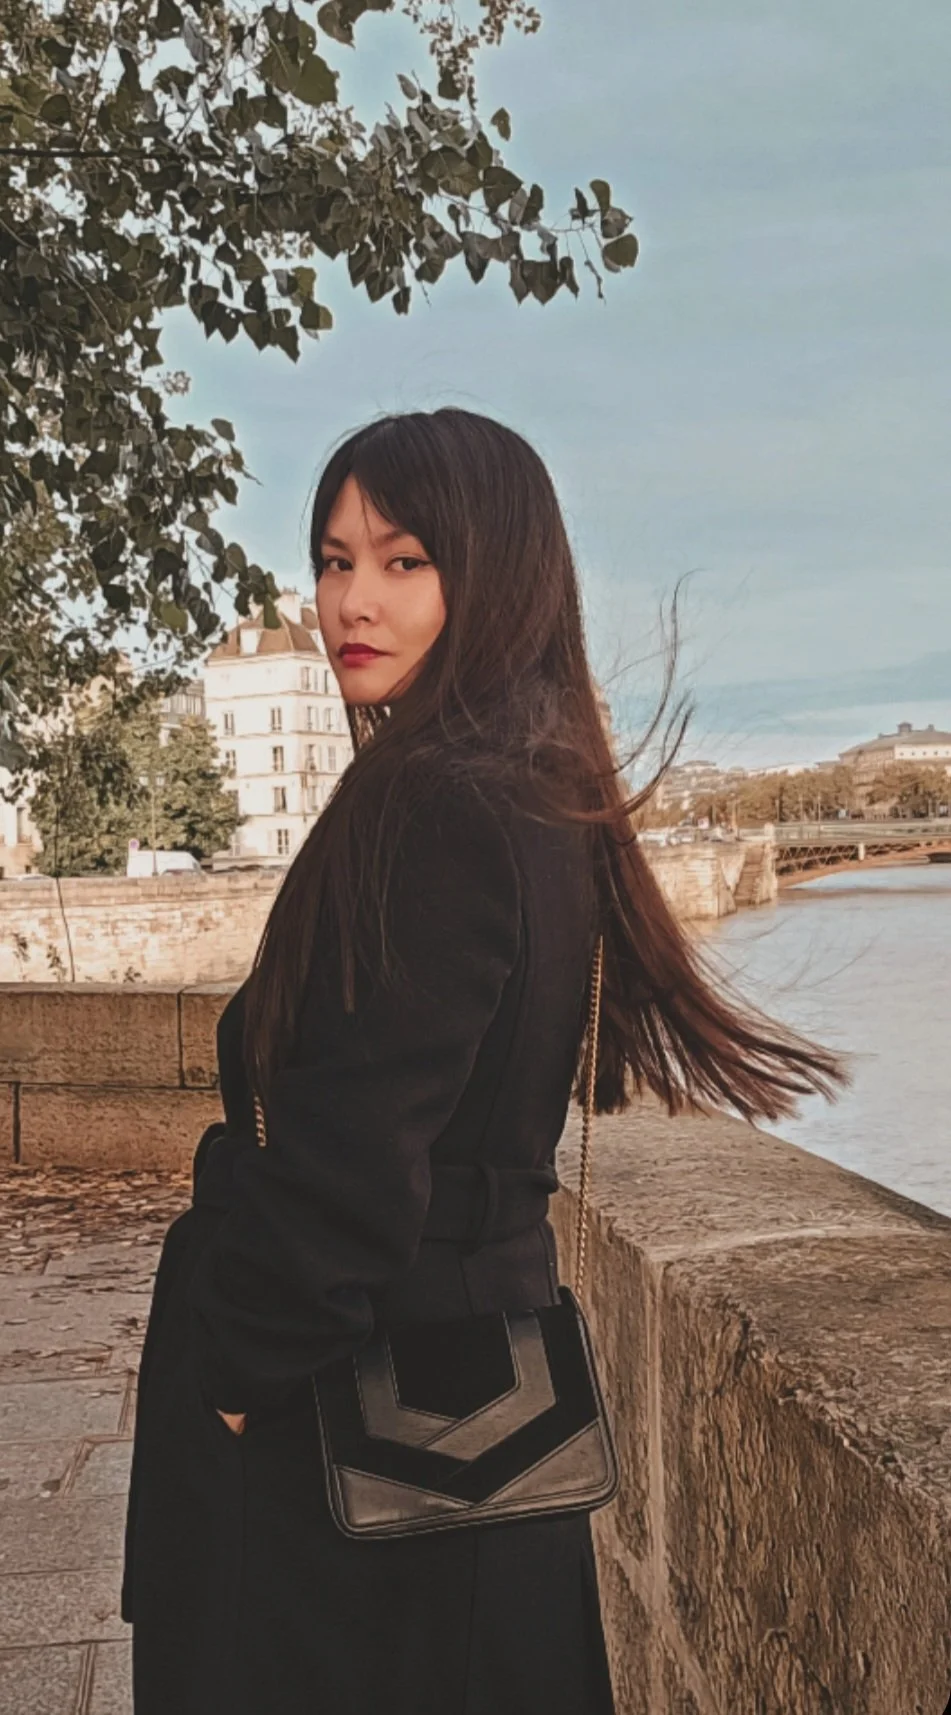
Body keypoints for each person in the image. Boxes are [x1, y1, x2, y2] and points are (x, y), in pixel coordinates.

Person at [120, 408, 845, 1715]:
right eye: (334, 558)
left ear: (492, 568)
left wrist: (228, 1394)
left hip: (361, 1440)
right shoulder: (526, 783)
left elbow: (351, 1170)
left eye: (402, 560)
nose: (350, 596)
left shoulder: (436, 797)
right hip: (465, 1422)